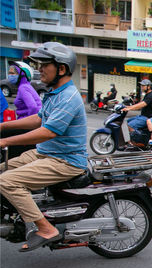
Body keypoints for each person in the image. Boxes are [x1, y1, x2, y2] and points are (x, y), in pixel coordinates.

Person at [0, 42, 87, 252]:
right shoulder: (55, 92)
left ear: (62, 69)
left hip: (65, 160)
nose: (39, 70)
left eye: (44, 65)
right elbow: (38, 119)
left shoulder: (68, 97)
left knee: (7, 181)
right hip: (45, 153)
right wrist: (2, 127)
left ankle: (46, 228)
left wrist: (5, 141)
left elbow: (48, 131)